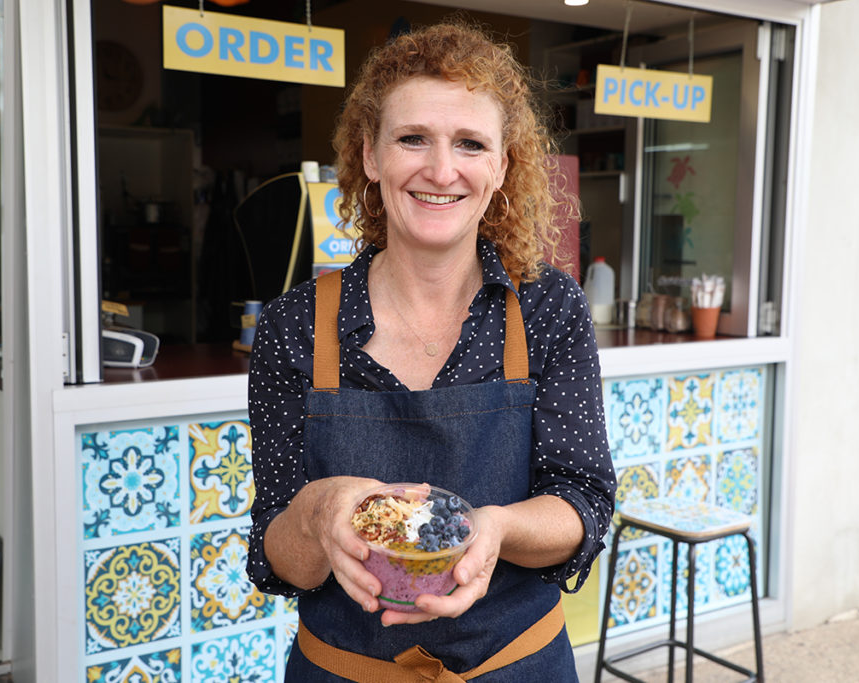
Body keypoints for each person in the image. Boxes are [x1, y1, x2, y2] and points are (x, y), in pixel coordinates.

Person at [246, 20, 616, 682]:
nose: (441, 170)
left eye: (470, 144)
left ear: (502, 166)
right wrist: (321, 508)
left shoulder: (548, 309)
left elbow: (583, 504)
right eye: (412, 138)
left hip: (519, 667)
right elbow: (280, 555)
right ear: (368, 154)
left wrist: (497, 528)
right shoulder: (293, 326)